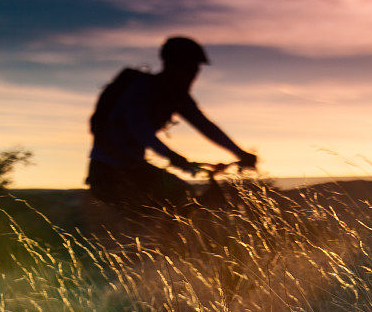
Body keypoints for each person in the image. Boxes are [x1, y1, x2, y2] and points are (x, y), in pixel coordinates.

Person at [86, 36, 257, 209]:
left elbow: (206, 126)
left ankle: (169, 234)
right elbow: (139, 128)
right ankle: (156, 235)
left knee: (182, 197)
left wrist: (240, 153)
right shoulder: (142, 88)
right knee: (168, 204)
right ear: (172, 65)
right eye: (189, 68)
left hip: (134, 168)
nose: (193, 75)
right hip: (107, 172)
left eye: (196, 69)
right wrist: (172, 156)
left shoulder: (177, 97)